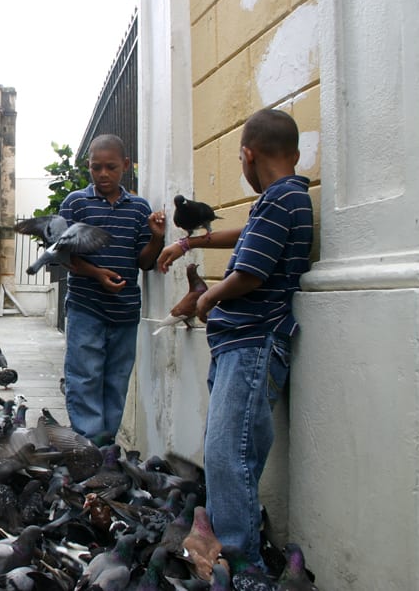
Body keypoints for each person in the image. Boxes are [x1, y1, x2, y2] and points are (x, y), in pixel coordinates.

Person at [156, 108, 313, 570]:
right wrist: (190, 244)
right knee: (231, 450)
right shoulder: (286, 199)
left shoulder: (280, 200)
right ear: (295, 154)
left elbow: (250, 272)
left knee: (228, 454)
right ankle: (234, 554)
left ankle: (241, 569)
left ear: (247, 155)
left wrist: (209, 300)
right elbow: (249, 236)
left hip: (252, 342)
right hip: (243, 345)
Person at [60, 134, 165, 440]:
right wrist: (96, 273)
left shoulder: (138, 208)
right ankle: (88, 447)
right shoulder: (76, 204)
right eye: (96, 168)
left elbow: (144, 263)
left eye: (111, 167)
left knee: (116, 382)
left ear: (126, 166)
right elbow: (63, 256)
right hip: (86, 308)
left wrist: (156, 237)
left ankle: (105, 448)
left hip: (126, 312)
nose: (103, 174)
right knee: (84, 378)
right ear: (88, 167)